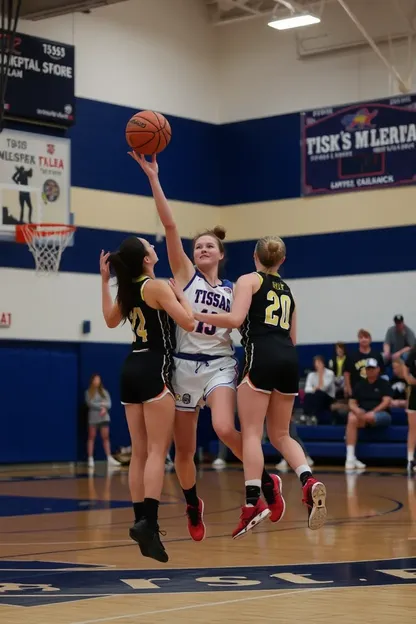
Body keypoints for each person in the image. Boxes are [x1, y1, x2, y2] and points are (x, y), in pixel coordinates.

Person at [132, 152, 280, 541]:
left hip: (219, 365)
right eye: (197, 246)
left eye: (208, 246)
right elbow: (169, 224)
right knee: (183, 453)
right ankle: (193, 503)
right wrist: (154, 178)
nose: (201, 250)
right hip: (182, 368)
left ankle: (265, 482)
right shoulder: (185, 277)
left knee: (224, 427)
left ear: (220, 254)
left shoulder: (236, 291)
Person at [194, 235, 327, 538]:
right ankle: (307, 480)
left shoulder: (248, 280)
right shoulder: (289, 292)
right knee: (281, 434)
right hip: (289, 360)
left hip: (261, 355)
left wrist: (197, 315)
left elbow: (236, 318)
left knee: (253, 433)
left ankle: (252, 503)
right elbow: (293, 338)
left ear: (255, 257)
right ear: (282, 260)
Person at [100, 236, 194, 562]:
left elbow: (110, 321)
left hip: (130, 368)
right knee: (157, 450)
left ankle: (141, 521)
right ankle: (150, 523)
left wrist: (104, 283)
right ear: (145, 259)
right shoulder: (155, 287)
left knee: (139, 451)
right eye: (149, 247)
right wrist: (181, 297)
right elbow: (189, 322)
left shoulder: (127, 290)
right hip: (155, 367)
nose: (154, 248)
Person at [345, 358, 393, 471]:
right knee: (351, 417)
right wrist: (357, 410)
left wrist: (373, 411)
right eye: (368, 369)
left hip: (382, 415)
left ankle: (351, 451)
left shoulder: (383, 383)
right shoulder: (359, 385)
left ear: (378, 369)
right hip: (362, 414)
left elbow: (386, 401)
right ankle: (350, 457)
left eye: (372, 368)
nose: (370, 371)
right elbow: (351, 403)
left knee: (366, 417)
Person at [85, 373, 121, 468]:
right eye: (95, 379)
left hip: (104, 417)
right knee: (91, 437)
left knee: (105, 437)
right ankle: (90, 458)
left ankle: (109, 458)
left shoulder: (104, 392)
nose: (97, 381)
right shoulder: (88, 392)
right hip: (93, 418)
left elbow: (109, 403)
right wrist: (101, 406)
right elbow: (90, 403)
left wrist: (104, 408)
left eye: (98, 379)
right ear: (92, 381)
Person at [403, 346, 416, 473]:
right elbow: (405, 369)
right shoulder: (414, 352)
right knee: (413, 428)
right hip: (414, 394)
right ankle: (410, 459)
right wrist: (408, 379)